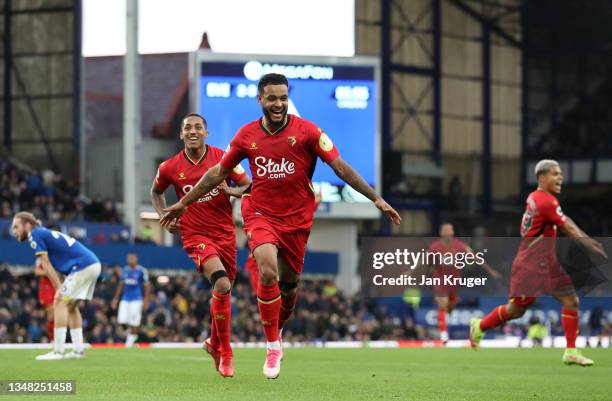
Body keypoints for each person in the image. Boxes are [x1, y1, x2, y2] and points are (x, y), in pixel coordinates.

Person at [160, 73, 401, 379]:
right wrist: (184, 202)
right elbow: (216, 174)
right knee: (267, 270)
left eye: (283, 98)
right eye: (272, 98)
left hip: (297, 220)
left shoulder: (309, 132)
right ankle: (272, 345)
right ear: (260, 99)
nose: (278, 104)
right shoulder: (246, 136)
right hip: (260, 213)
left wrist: (375, 198)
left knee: (288, 290)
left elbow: (340, 167)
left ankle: (278, 327)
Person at [469, 159, 607, 366]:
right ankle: (480, 326)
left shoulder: (538, 198)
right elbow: (566, 228)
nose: (560, 177)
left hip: (548, 265)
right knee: (516, 310)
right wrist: (589, 245)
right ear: (542, 177)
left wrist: (588, 240)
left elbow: (565, 219)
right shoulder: (546, 201)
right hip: (530, 268)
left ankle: (571, 351)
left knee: (571, 301)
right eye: (555, 174)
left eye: (560, 173)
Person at [151, 113, 251, 378]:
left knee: (224, 290)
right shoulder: (169, 167)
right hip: (195, 235)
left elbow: (248, 185)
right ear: (181, 135)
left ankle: (213, 343)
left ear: (207, 133)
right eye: (187, 128)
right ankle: (226, 351)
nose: (193, 131)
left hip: (225, 235)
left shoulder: (224, 158)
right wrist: (163, 215)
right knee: (220, 283)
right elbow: (156, 191)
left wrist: (233, 192)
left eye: (198, 127)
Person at [11, 212, 101, 360]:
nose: (14, 231)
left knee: (59, 301)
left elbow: (45, 263)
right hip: (93, 263)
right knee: (71, 307)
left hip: (83, 266)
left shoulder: (34, 234)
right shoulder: (44, 233)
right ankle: (78, 351)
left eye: (16, 226)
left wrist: (58, 287)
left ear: (27, 225)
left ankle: (58, 351)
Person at [427, 223, 501, 343]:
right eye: (445, 231)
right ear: (441, 233)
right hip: (440, 280)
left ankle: (449, 309)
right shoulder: (434, 247)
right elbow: (423, 261)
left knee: (450, 306)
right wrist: (411, 272)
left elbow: (475, 257)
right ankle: (444, 334)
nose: (448, 234)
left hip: (454, 281)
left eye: (450, 231)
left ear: (452, 233)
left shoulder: (460, 245)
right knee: (442, 304)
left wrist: (491, 270)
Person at [112, 253, 150, 347]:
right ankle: (132, 336)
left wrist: (146, 300)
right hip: (125, 299)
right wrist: (116, 299)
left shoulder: (142, 271)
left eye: (132, 258)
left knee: (134, 321)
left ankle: (130, 343)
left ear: (136, 259)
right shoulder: (125, 270)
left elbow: (146, 286)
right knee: (121, 320)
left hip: (136, 299)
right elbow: (121, 285)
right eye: (128, 258)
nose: (129, 259)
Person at [34, 263, 56, 342]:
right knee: (51, 315)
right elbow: (37, 271)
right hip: (47, 288)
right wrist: (48, 272)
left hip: (56, 286)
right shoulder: (44, 259)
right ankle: (52, 338)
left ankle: (54, 338)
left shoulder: (59, 258)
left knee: (55, 316)